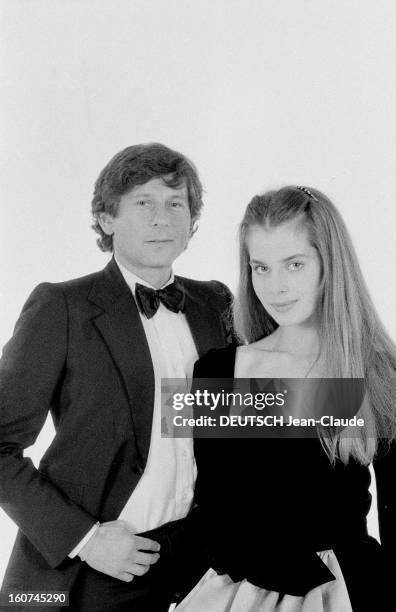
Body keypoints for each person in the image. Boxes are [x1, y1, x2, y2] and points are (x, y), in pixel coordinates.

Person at [0, 143, 232, 611]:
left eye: (175, 204)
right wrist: (86, 539)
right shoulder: (62, 307)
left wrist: (356, 402)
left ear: (193, 223)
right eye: (143, 203)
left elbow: (241, 418)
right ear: (107, 219)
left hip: (197, 567)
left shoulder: (216, 305)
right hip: (91, 569)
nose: (161, 219)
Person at [175, 186, 396, 611]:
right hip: (228, 595)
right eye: (260, 267)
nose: (276, 286)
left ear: (331, 265)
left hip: (341, 594)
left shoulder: (379, 375)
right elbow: (205, 506)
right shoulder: (216, 370)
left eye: (295, 264)